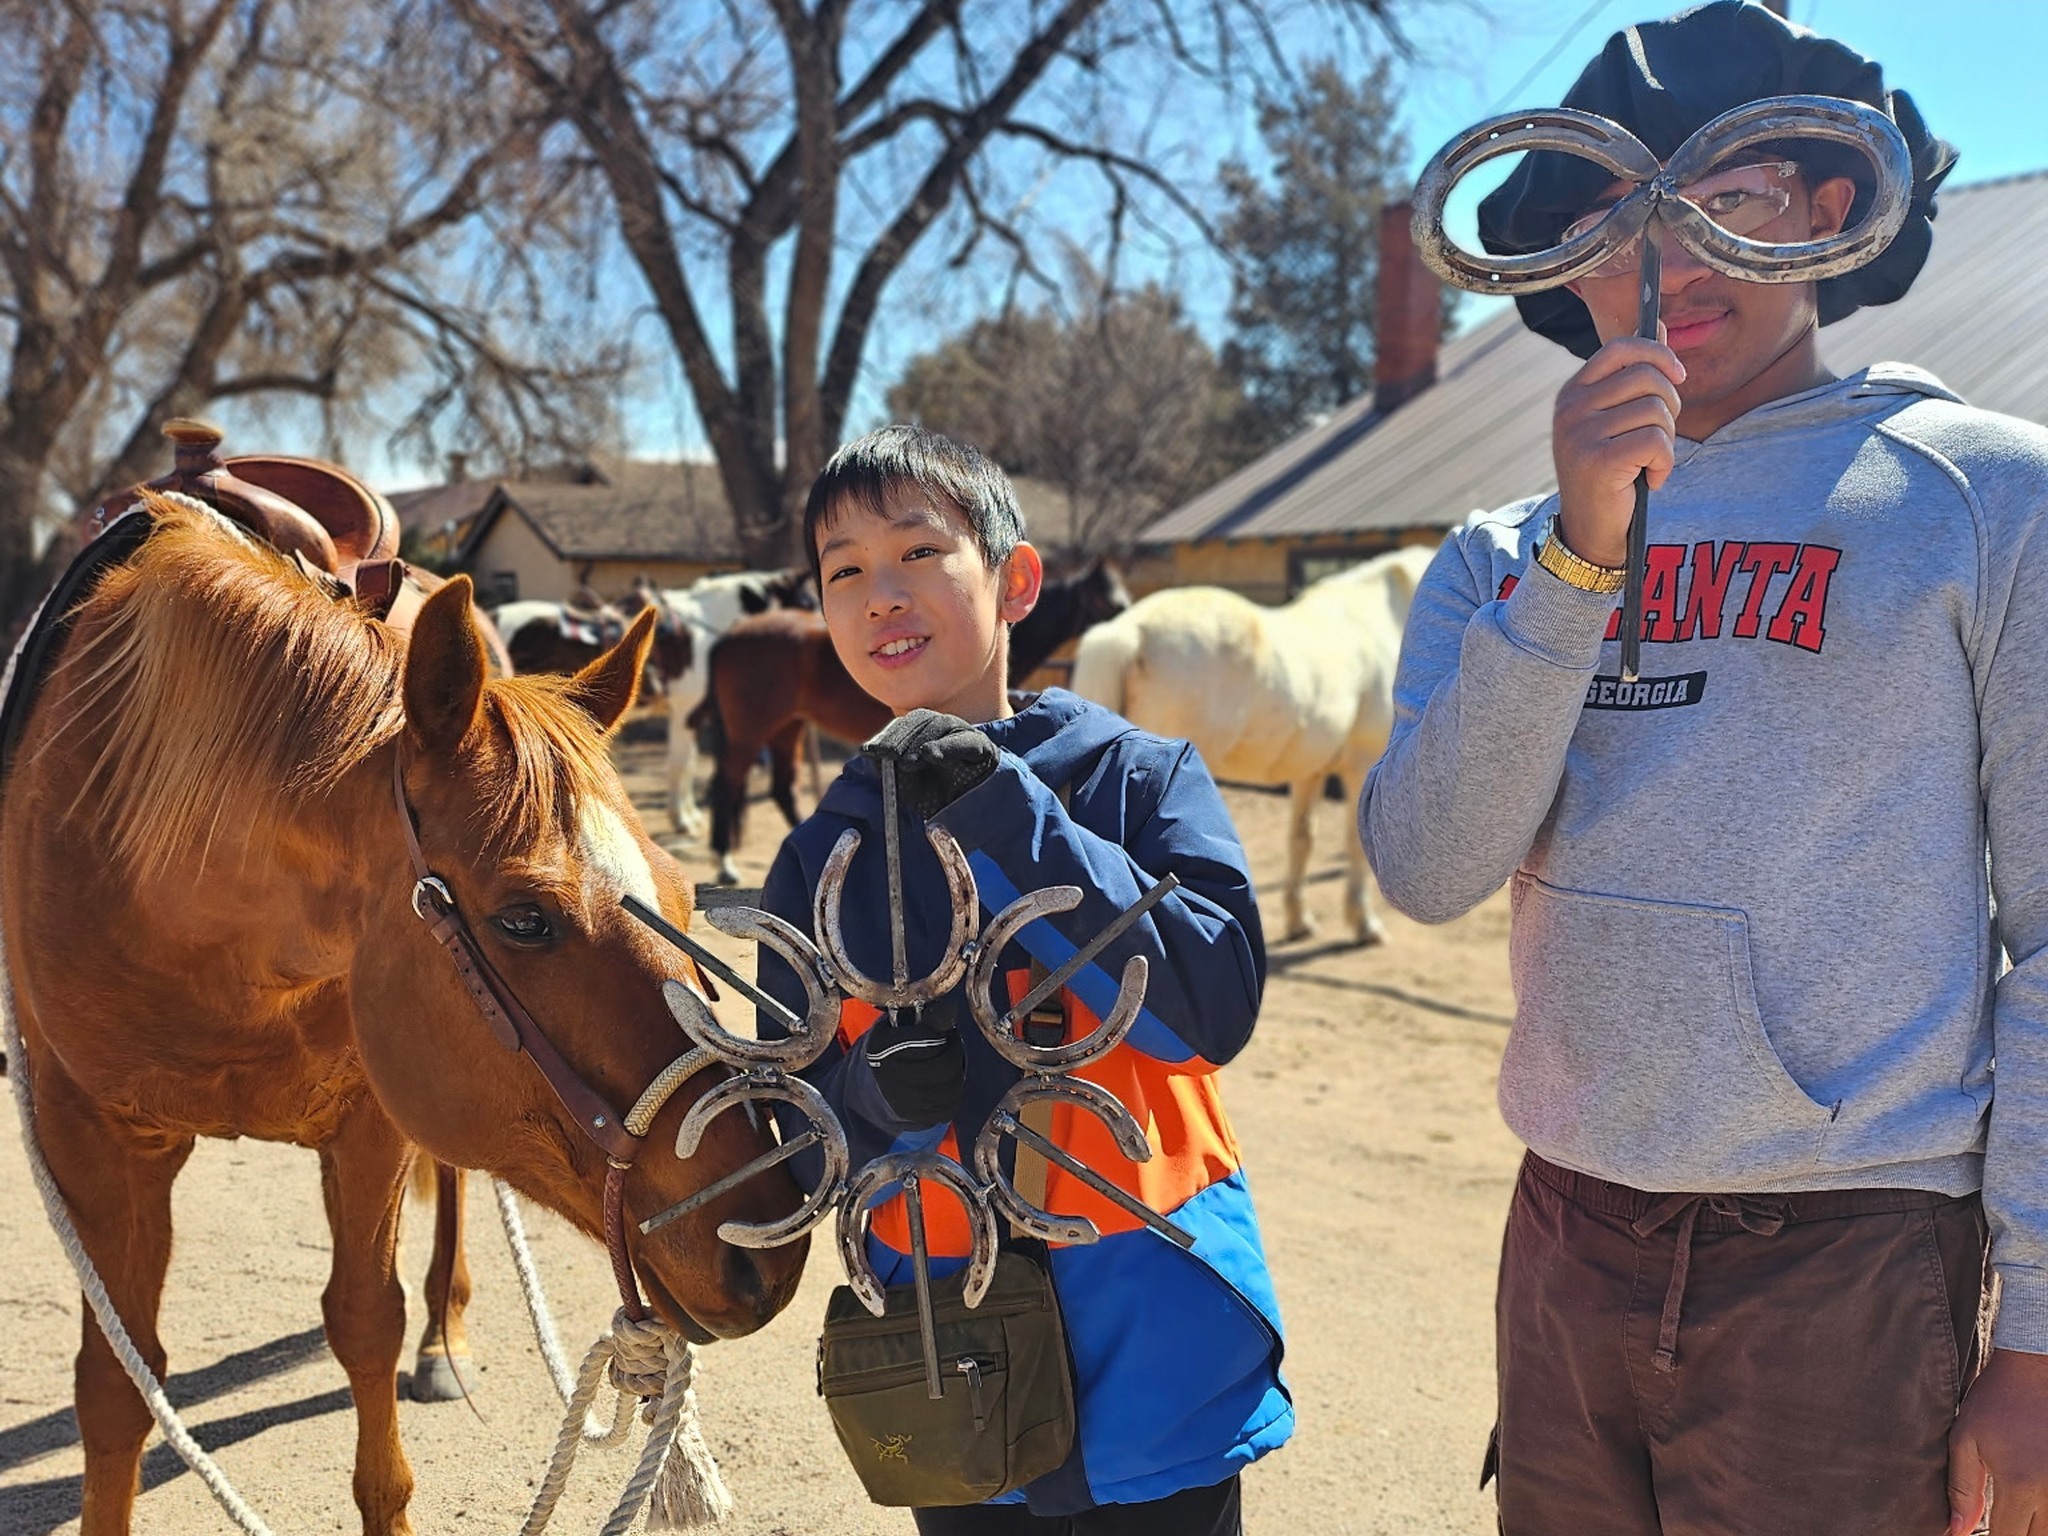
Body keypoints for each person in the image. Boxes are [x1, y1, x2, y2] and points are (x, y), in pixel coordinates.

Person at [1359, 4, 2048, 1532]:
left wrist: (2043, 1344)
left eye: (1726, 207)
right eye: (1608, 224)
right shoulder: (1497, 554)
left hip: (1852, 1247)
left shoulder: (1979, 497)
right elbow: (1423, 868)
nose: (1663, 271)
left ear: (1825, 211)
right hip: (1566, 1228)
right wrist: (1580, 559)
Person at [753, 425, 1290, 1534]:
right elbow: (790, 1129)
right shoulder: (820, 856)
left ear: (1016, 581)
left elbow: (1215, 1005)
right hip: (944, 1354)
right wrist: (864, 1097)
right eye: (843, 570)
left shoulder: (1138, 781)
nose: (879, 594)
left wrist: (1012, 813)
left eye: (917, 552)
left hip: (1151, 1332)